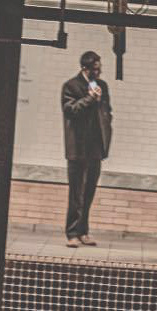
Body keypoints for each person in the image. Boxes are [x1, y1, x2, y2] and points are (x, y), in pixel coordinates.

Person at [61, 50, 113, 247]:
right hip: (78, 148)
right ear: (85, 68)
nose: (98, 73)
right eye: (95, 70)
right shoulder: (71, 86)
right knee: (76, 193)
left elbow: (107, 111)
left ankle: (83, 231)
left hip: (95, 147)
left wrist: (107, 124)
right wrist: (90, 99)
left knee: (89, 191)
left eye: (99, 69)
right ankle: (72, 233)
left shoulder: (102, 86)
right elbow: (70, 110)